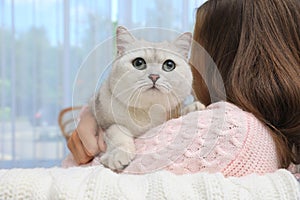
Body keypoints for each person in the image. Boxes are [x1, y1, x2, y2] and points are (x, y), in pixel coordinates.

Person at [64, 0, 300, 176]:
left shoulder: (229, 129)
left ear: (221, 57)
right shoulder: (271, 137)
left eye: (196, 47)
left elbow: (86, 179)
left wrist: (98, 124)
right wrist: (97, 113)